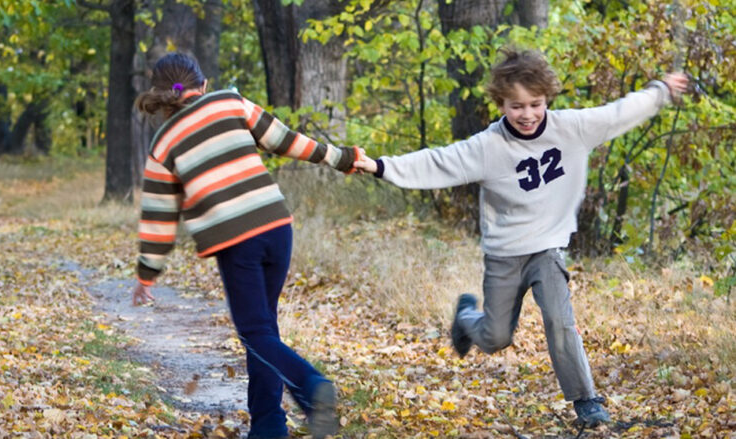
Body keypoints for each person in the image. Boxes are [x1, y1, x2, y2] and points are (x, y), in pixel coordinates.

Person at [353, 48, 688, 427]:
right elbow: (438, 161)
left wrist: (662, 90)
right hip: (504, 255)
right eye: (516, 106)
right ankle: (466, 317)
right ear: (501, 104)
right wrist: (380, 166)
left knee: (560, 322)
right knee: (496, 337)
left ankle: (586, 400)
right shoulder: (488, 147)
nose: (527, 114)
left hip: (547, 249)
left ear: (547, 100)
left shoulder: (573, 129)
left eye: (535, 104)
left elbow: (619, 112)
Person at [131, 52, 359, 439]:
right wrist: (343, 158)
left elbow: (158, 217)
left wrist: (146, 276)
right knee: (264, 330)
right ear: (202, 85)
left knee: (256, 334)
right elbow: (289, 141)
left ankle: (312, 386)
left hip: (238, 243)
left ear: (164, 96)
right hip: (277, 227)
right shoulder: (230, 103)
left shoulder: (163, 144)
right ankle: (269, 425)